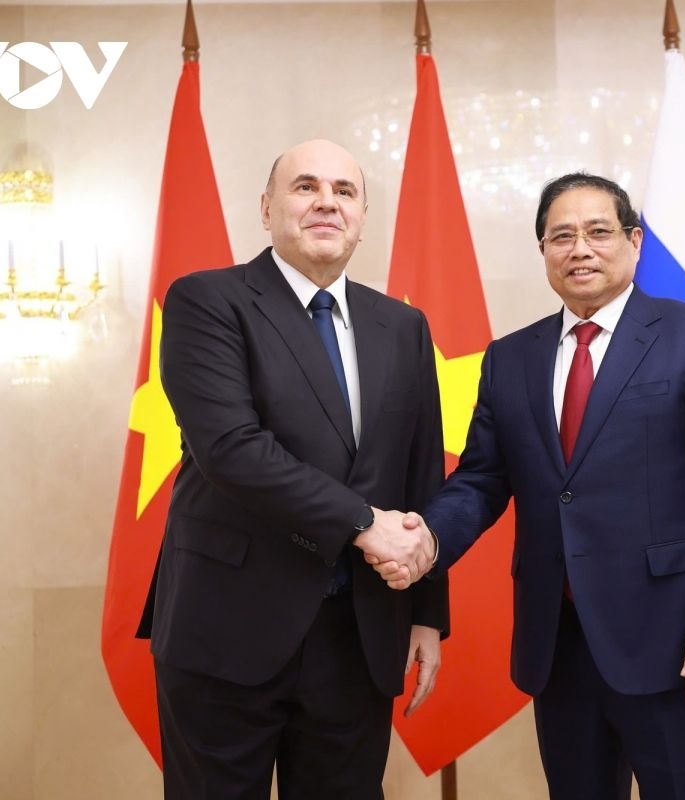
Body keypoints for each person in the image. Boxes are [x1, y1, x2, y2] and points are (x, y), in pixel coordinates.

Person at [371, 172, 685, 800]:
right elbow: (481, 479)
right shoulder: (510, 357)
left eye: (598, 232)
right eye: (562, 236)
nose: (579, 248)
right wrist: (425, 540)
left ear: (634, 242)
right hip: (558, 643)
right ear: (543, 253)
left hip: (676, 643)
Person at [137, 139, 446, 800]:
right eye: (305, 187)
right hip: (227, 627)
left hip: (360, 634)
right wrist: (364, 522)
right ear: (268, 208)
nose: (326, 202)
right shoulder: (207, 301)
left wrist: (427, 611)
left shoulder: (405, 326)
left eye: (345, 190)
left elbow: (420, 474)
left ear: (362, 216)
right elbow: (232, 448)